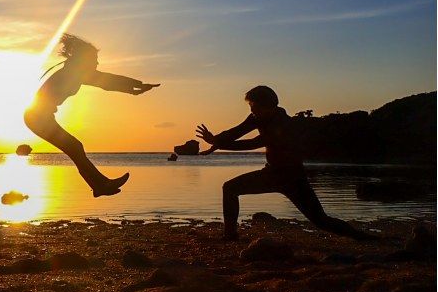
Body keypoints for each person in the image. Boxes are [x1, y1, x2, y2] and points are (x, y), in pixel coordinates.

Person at [196, 85, 374, 241]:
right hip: (272, 173)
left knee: (321, 220)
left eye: (254, 107)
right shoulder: (258, 117)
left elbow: (253, 143)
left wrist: (218, 144)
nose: (252, 111)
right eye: (250, 107)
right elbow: (236, 132)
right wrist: (216, 140)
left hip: (291, 177)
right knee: (230, 188)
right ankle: (230, 235)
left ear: (268, 106)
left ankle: (364, 237)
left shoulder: (282, 124)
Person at [24, 33, 160, 197]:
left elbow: (106, 82)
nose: (97, 62)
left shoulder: (75, 72)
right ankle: (100, 186)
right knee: (75, 147)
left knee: (75, 148)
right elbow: (106, 80)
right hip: (37, 117)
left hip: (40, 117)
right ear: (84, 59)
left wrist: (135, 87)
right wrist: (136, 86)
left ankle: (100, 185)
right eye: (94, 59)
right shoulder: (74, 73)